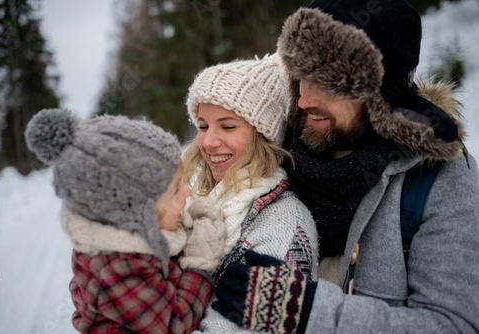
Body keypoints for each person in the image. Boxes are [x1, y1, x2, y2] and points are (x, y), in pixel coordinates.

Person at [213, 1, 479, 333]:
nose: (305, 100)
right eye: (301, 76)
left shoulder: (435, 179)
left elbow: (453, 325)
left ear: (381, 94)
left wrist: (308, 313)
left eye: (327, 82)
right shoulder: (272, 148)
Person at [24, 108, 226, 333]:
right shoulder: (119, 267)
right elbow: (173, 324)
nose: (187, 192)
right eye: (175, 191)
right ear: (136, 215)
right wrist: (199, 265)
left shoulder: (135, 233)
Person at [182, 53, 319, 332]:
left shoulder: (282, 227)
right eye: (203, 126)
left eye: (228, 126)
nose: (208, 141)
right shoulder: (200, 204)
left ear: (263, 135)